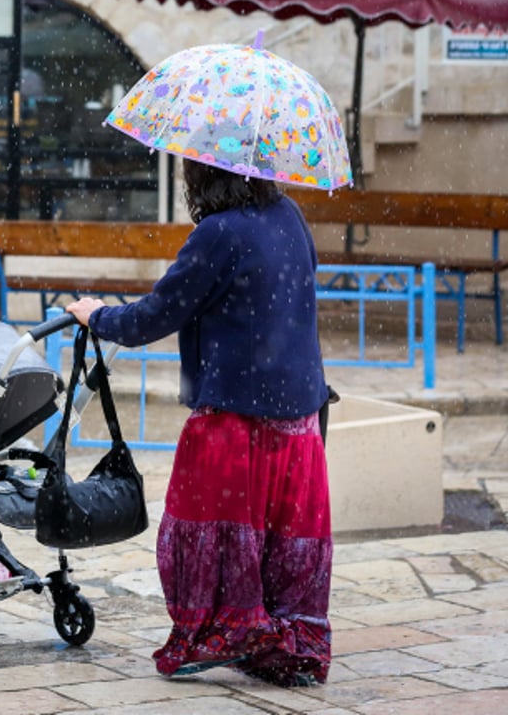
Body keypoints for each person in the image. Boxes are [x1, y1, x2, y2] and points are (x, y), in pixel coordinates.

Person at [66, 160, 333, 688]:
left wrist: (96, 315)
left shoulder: (218, 233)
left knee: (209, 535)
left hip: (235, 419)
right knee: (286, 540)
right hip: (300, 417)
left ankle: (223, 633)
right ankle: (288, 645)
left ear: (201, 177)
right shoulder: (289, 214)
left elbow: (155, 315)